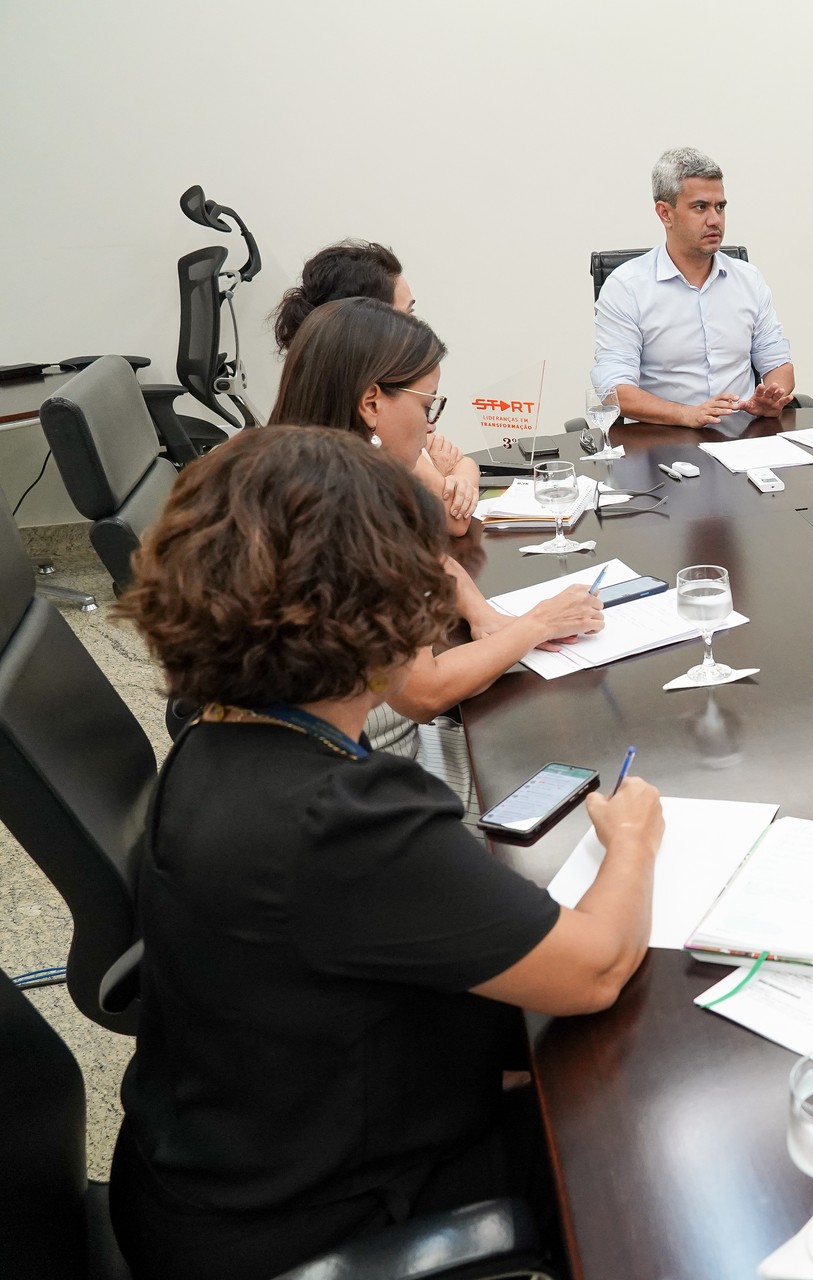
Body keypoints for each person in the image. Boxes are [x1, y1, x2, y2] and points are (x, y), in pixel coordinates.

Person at [111, 425, 664, 1279]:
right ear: (378, 607)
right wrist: (634, 842)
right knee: (642, 1123)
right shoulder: (340, 815)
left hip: (208, 1180)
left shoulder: (212, 735)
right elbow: (594, 968)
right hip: (315, 1227)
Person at [268, 298, 604, 768]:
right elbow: (424, 692)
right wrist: (538, 624)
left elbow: (429, 559)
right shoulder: (349, 513)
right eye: (428, 406)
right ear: (371, 403)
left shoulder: (292, 470)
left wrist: (482, 613)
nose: (429, 428)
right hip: (370, 767)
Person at [271, 239, 479, 532]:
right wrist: (449, 473)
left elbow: (458, 465)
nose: (415, 326)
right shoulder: (349, 501)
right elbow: (453, 520)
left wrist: (459, 471)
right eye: (405, 316)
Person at [589, 146, 795, 427]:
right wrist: (686, 414)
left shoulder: (748, 279)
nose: (715, 220)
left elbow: (778, 362)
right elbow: (613, 391)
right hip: (661, 443)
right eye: (700, 207)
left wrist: (773, 396)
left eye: (720, 207)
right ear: (665, 213)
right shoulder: (627, 287)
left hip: (742, 439)